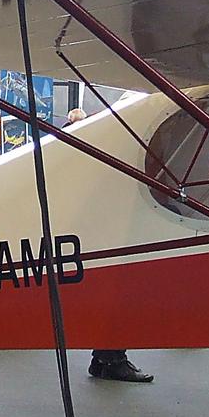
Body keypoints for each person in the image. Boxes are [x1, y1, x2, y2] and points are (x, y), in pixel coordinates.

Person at [60, 106, 153, 384]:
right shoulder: (100, 157)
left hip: (95, 230)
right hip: (111, 233)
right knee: (120, 294)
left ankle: (103, 357)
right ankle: (112, 358)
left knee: (115, 294)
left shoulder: (77, 152)